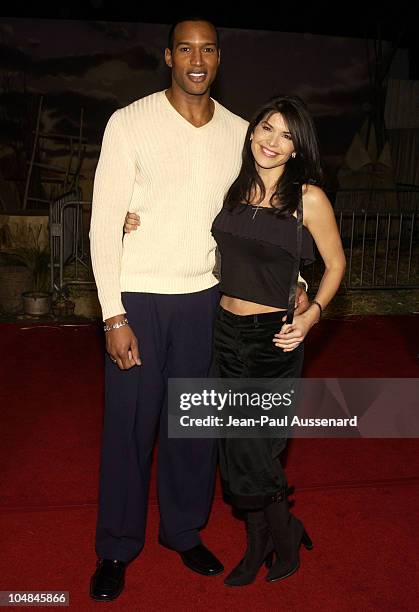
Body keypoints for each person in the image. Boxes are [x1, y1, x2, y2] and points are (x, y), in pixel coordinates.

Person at [89, 17, 309, 601]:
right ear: (168, 56)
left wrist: (299, 279)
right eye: (184, 47)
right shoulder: (129, 122)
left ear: (218, 58)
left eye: (207, 48)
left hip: (207, 302)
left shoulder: (239, 134)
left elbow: (267, 216)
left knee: (194, 430)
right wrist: (112, 313)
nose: (196, 58)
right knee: (129, 429)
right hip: (137, 296)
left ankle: (184, 532)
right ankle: (115, 547)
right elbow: (103, 223)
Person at [210, 95, 346, 586]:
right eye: (266, 128)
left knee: (255, 448)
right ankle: (275, 531)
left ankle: (274, 537)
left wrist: (311, 316)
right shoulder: (235, 187)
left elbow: (336, 266)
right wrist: (132, 221)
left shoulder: (307, 198)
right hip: (223, 331)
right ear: (251, 134)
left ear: (296, 148)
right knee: (235, 446)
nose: (272, 141)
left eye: (285, 135)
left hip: (274, 339)